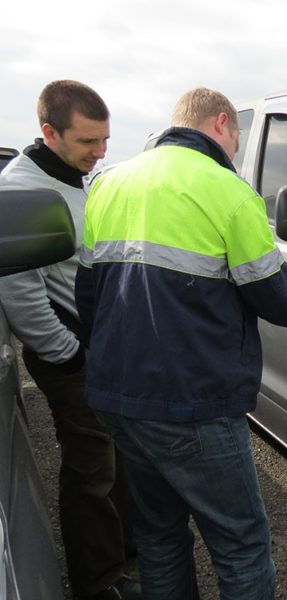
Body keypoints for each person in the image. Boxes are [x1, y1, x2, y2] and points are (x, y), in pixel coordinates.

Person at [75, 87, 287, 600]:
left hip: (119, 394)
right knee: (241, 543)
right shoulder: (226, 189)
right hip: (192, 402)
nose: (236, 148)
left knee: (159, 531)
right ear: (222, 123)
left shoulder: (111, 183)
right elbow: (278, 298)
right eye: (237, 138)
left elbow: (90, 295)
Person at [0, 80, 140, 600]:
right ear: (49, 132)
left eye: (104, 140)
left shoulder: (78, 179)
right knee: (92, 467)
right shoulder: (19, 192)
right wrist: (69, 354)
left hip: (99, 347)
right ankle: (98, 583)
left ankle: (126, 555)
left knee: (119, 455)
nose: (99, 152)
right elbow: (21, 292)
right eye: (88, 142)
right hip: (71, 355)